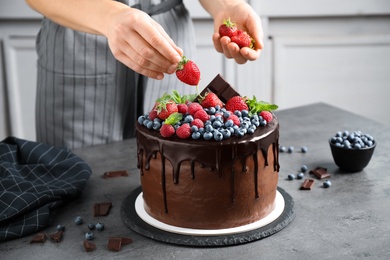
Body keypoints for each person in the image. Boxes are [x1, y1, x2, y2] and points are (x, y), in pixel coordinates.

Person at [25, 0, 264, 149]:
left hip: (168, 36)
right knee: (77, 176)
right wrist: (110, 17)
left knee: (175, 168)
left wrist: (226, 5)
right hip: (79, 34)